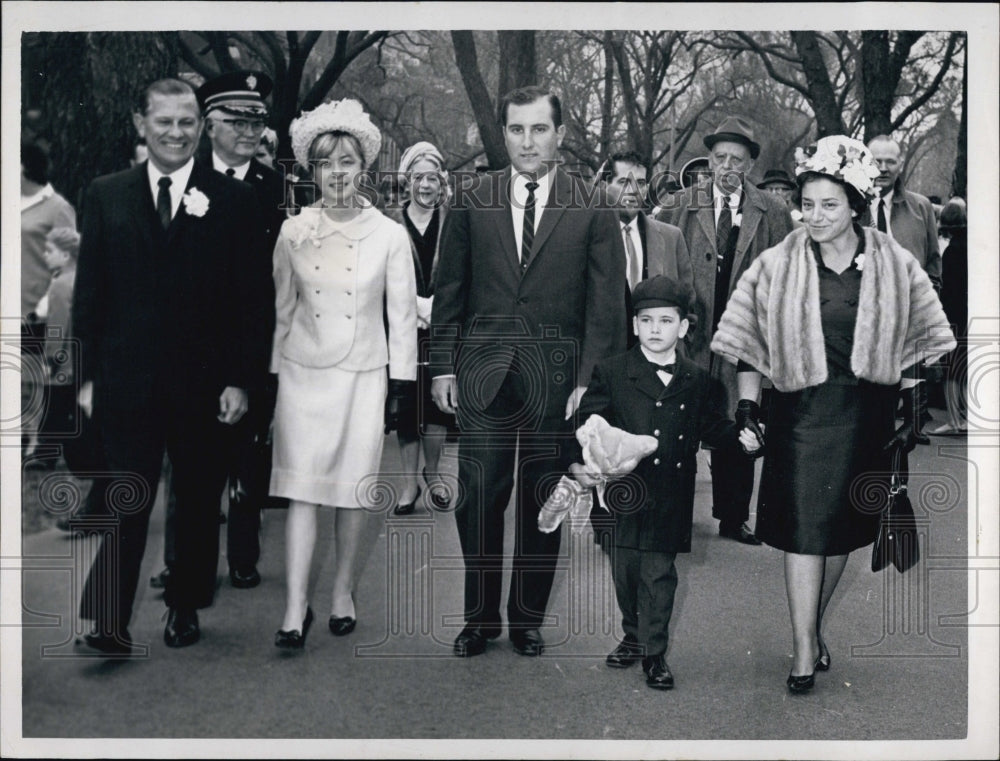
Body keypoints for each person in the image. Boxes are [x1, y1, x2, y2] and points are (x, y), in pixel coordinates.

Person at [711, 135, 955, 693]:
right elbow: (747, 342)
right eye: (808, 204)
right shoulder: (776, 264)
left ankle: (812, 629)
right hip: (799, 416)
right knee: (803, 533)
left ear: (856, 206)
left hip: (866, 415)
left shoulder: (895, 264)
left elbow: (925, 337)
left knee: (840, 533)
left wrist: (911, 404)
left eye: (830, 205)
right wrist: (749, 404)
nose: (815, 216)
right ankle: (802, 650)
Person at [72, 77, 269, 655]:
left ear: (199, 126)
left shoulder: (234, 200)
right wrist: (83, 378)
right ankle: (108, 624)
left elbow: (251, 302)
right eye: (165, 122)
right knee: (125, 497)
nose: (176, 133)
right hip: (125, 379)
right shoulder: (106, 194)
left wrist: (242, 379)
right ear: (142, 124)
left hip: (205, 385)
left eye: (187, 122)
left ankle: (184, 606)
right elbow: (90, 294)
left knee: (197, 499)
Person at [430, 85, 627, 658]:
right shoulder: (472, 198)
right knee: (479, 497)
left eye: (539, 129)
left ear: (560, 136)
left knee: (544, 497)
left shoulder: (591, 205)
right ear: (504, 133)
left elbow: (606, 305)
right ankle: (478, 618)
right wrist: (442, 365)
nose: (527, 141)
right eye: (516, 129)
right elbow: (450, 291)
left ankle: (526, 619)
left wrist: (591, 383)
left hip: (559, 383)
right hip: (484, 373)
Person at [270, 99, 417, 649]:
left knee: (354, 492)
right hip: (302, 375)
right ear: (312, 170)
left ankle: (341, 593)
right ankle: (292, 609)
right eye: (327, 163)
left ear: (363, 168)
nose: (338, 173)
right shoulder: (292, 233)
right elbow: (283, 310)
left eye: (348, 161)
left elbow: (401, 317)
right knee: (302, 492)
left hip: (362, 376)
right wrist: (270, 377)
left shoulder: (388, 235)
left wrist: (400, 388)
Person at [569, 275, 762, 690]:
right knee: (625, 573)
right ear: (634, 325)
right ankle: (633, 634)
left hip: (669, 496)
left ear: (684, 327)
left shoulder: (699, 381)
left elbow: (714, 428)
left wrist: (743, 439)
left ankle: (653, 653)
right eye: (647, 321)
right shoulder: (612, 372)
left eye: (666, 321)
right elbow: (588, 422)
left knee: (658, 576)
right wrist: (587, 453)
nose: (656, 329)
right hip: (620, 496)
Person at [658, 116, 792, 546]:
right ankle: (674, 514)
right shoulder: (681, 204)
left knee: (741, 421)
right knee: (680, 424)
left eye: (737, 159)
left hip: (743, 337)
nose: (727, 167)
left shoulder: (771, 212)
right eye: (719, 158)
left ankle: (734, 517)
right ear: (708, 160)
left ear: (751, 165)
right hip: (690, 336)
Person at [194, 69, 288, 589]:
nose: (251, 131)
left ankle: (243, 555)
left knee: (249, 457)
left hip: (255, 341)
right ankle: (187, 562)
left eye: (258, 121)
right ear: (210, 124)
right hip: (193, 349)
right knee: (192, 466)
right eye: (238, 120)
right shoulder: (185, 179)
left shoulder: (273, 187)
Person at [385, 141, 456, 515]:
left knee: (438, 409)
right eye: (418, 177)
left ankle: (434, 471)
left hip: (443, 328)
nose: (425, 185)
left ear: (441, 182)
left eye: (432, 177)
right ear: (406, 180)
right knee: (407, 409)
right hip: (401, 328)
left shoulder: (453, 221)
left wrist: (439, 309)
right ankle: (408, 481)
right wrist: (410, 306)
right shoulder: (390, 222)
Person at [864, 134, 943, 442]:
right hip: (859, 329)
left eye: (890, 161)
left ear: (900, 164)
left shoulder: (920, 208)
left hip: (907, 329)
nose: (883, 168)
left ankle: (898, 488)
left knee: (905, 426)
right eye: (876, 161)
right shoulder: (849, 207)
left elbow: (934, 266)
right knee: (866, 419)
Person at [599, 150, 693, 348]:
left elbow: (688, 305)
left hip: (655, 362)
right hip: (603, 362)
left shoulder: (671, 237)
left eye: (640, 183)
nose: (633, 190)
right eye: (624, 182)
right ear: (604, 186)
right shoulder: (586, 238)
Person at [21, 143, 77, 459]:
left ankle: (42, 445)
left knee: (38, 382)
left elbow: (68, 261)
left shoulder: (57, 207)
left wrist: (45, 305)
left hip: (37, 311)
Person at [29, 227, 81, 469]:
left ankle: (45, 454)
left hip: (64, 359)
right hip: (80, 356)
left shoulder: (60, 285)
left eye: (50, 251)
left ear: (66, 255)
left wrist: (50, 358)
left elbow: (58, 325)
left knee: (54, 406)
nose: (46, 255)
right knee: (71, 407)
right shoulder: (81, 278)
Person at [928, 199, 968, 436]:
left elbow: (948, 289)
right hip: (966, 314)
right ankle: (964, 418)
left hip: (952, 315)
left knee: (950, 371)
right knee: (963, 368)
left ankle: (955, 420)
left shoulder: (952, 251)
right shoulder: (970, 247)